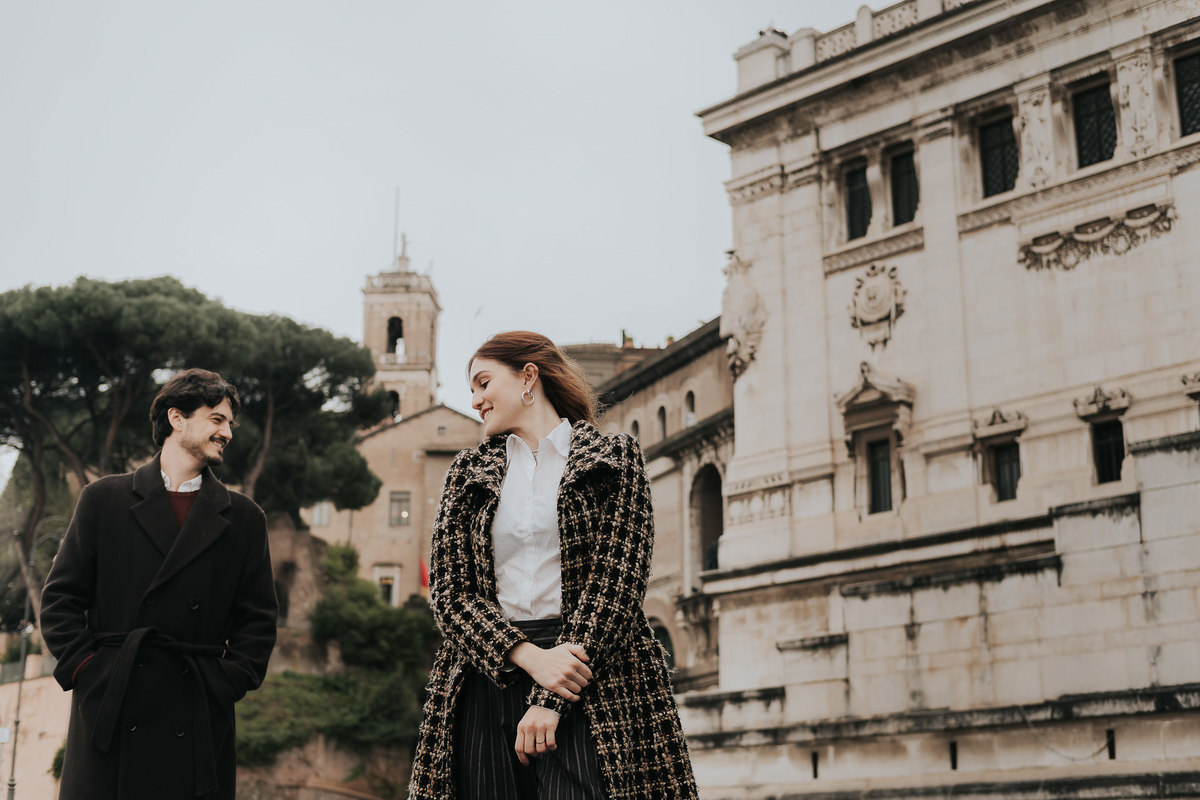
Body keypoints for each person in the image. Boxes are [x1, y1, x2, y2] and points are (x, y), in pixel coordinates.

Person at [408, 332, 698, 800]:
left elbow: (616, 586)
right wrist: (528, 657)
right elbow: (450, 595)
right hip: (488, 670)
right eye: (473, 389)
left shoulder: (615, 460)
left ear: (529, 377)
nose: (476, 400)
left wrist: (551, 695)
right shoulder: (466, 472)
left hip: (592, 672)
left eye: (484, 383)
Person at [41, 368, 278, 800]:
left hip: (196, 715)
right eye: (217, 419)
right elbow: (60, 600)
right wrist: (92, 673)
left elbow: (258, 623)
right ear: (177, 418)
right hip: (113, 711)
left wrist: (222, 685)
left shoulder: (244, 518)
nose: (227, 432)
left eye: (230, 423)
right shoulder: (103, 500)